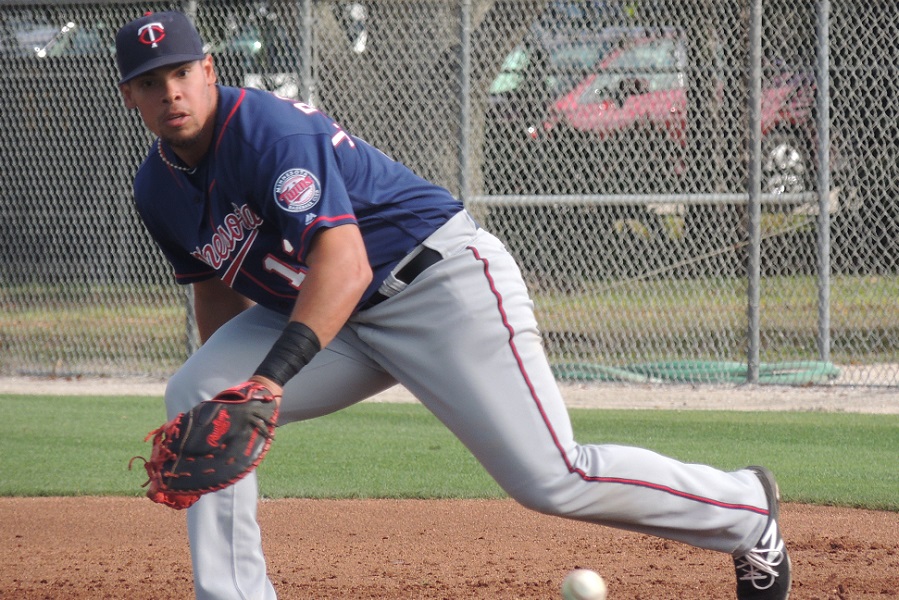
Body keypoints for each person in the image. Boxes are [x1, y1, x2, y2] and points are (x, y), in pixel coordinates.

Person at [115, 11, 791, 600]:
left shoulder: (267, 132)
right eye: (150, 81)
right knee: (200, 391)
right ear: (130, 98)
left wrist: (269, 380)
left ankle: (743, 510)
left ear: (208, 70)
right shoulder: (155, 189)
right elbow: (213, 285)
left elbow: (343, 263)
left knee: (551, 477)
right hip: (333, 317)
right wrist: (234, 394)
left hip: (436, 285)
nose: (170, 92)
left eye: (180, 72)